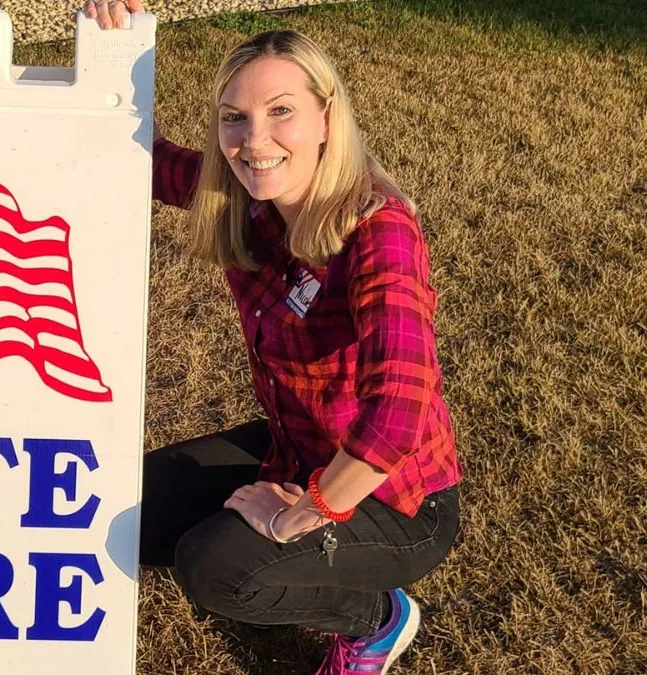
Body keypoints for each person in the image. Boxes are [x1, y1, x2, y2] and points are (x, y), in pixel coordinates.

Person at [83, 1, 463, 673]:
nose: (254, 141)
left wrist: (305, 511)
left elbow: (398, 414)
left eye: (281, 111)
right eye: (236, 118)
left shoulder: (378, 230)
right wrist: (109, 47)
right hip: (299, 448)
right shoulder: (250, 200)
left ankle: (377, 617)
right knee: (120, 504)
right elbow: (145, 160)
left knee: (216, 568)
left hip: (398, 499)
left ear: (327, 116)